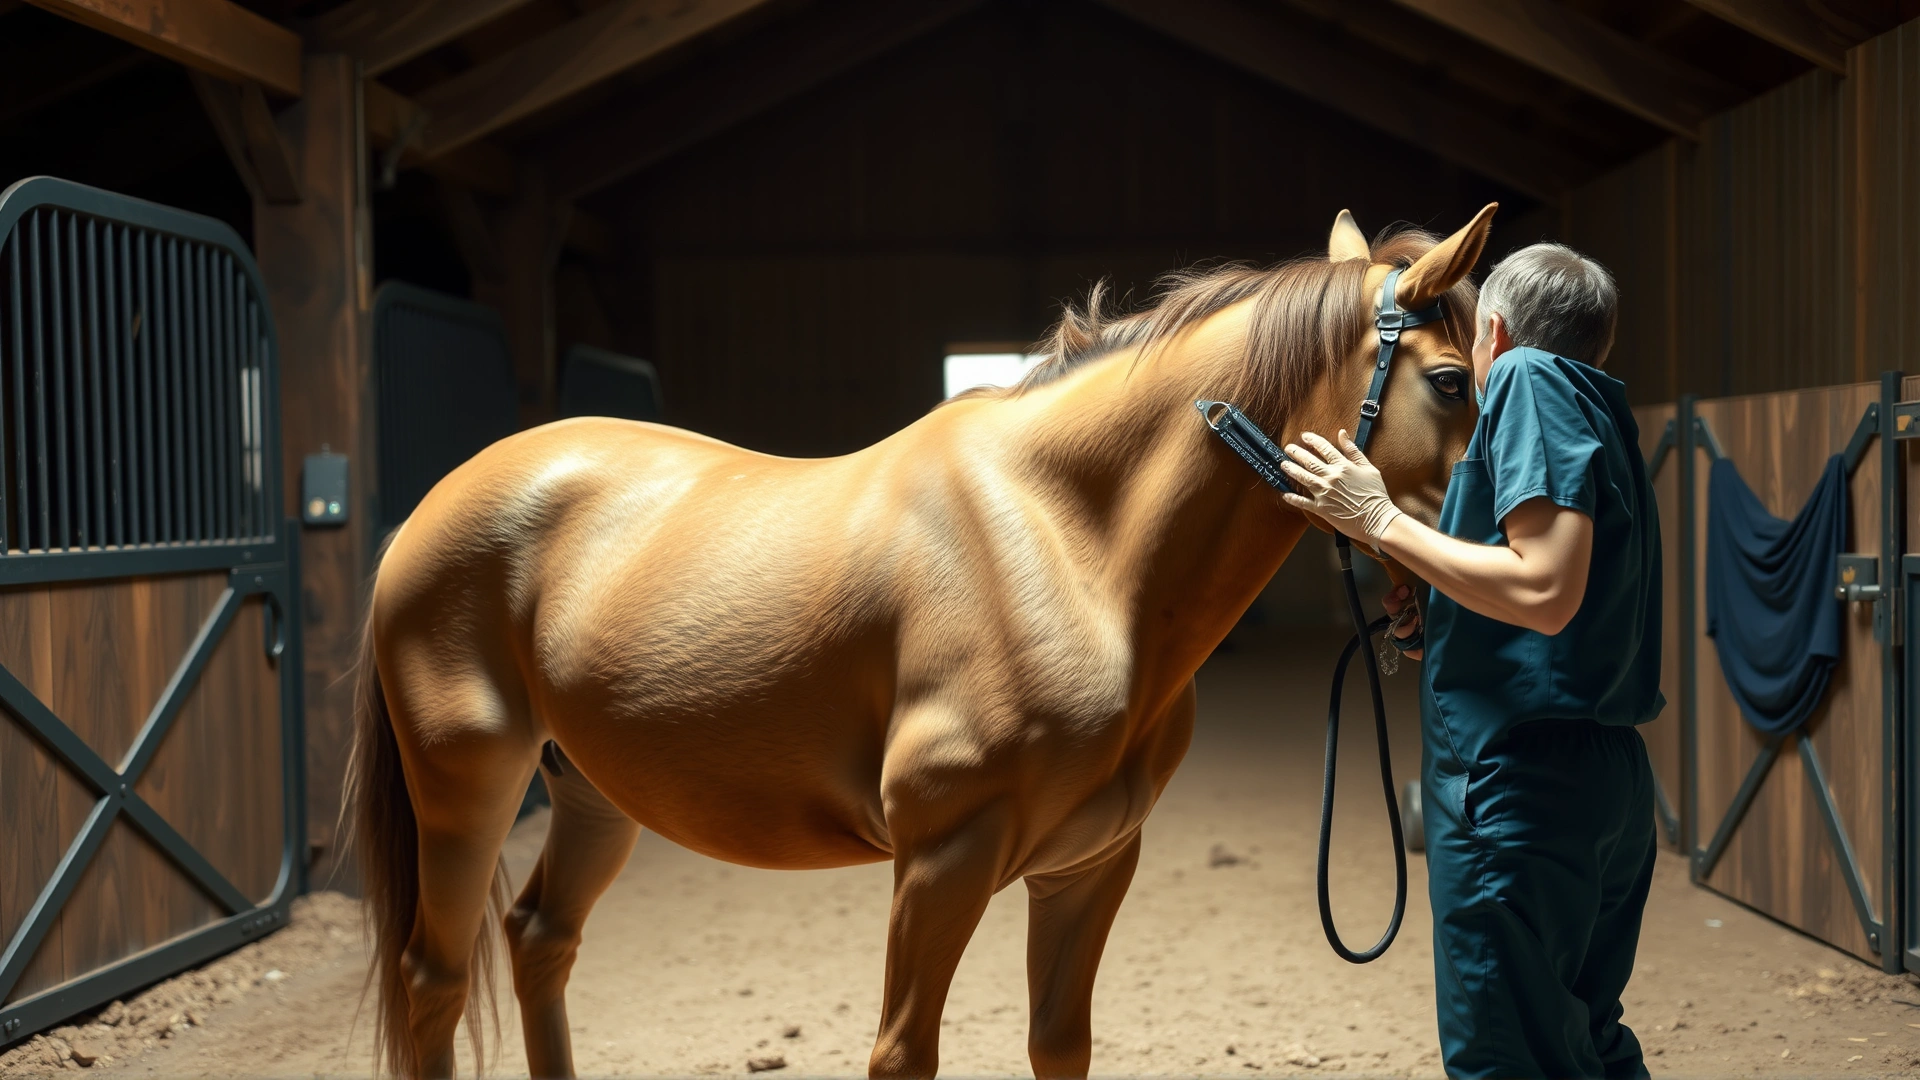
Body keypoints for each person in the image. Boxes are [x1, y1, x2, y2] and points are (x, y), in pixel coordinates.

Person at [1278, 243, 1662, 1079]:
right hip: (1602, 781)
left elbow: (1546, 589)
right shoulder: (1601, 409)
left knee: (1502, 1056)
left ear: (1490, 331)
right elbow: (1568, 606)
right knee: (1586, 1042)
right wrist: (1447, 617)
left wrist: (1379, 519)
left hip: (1519, 787)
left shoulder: (1526, 380)